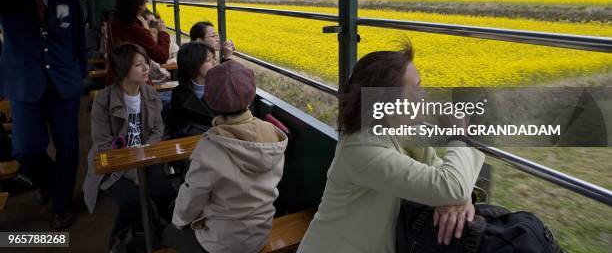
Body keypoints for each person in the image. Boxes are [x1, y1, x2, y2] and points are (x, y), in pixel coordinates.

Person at [297, 43, 485, 253]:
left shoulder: (404, 131)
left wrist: (462, 200)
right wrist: (458, 137)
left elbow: (446, 181)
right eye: (416, 89)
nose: (424, 96)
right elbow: (451, 186)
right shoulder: (361, 150)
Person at [0, 0, 87, 229]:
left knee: (68, 148)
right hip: (25, 83)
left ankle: (62, 206)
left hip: (64, 83)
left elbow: (78, 39)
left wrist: (80, 75)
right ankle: (48, 180)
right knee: (25, 148)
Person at [163, 61, 288, 253]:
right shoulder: (272, 133)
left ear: (210, 100)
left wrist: (179, 222)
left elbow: (192, 198)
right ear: (251, 94)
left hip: (222, 243)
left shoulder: (210, 147)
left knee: (168, 234)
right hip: (261, 232)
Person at [83, 43, 175, 252]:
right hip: (113, 162)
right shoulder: (104, 101)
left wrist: (143, 158)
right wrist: (135, 172)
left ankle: (159, 230)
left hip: (145, 157)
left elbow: (157, 131)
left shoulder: (150, 95)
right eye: (138, 65)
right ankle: (118, 238)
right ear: (123, 69)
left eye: (145, 63)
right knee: (131, 202)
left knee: (164, 193)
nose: (145, 69)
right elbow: (104, 145)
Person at [106, 0, 170, 85]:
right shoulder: (136, 29)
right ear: (139, 6)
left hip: (115, 78)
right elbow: (162, 56)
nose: (146, 5)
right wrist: (162, 33)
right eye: (145, 2)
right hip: (134, 84)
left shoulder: (113, 21)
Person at [166, 41, 216, 138]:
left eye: (214, 58)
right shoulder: (179, 93)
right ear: (194, 64)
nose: (214, 63)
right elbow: (174, 124)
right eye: (208, 60)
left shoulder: (222, 88)